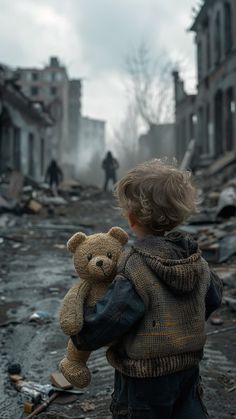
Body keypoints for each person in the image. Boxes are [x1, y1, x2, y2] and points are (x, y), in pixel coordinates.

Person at [72, 159, 223, 419]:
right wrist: (182, 323)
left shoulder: (135, 265)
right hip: (188, 367)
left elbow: (113, 317)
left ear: (131, 219)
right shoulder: (196, 260)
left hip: (144, 378)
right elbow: (213, 296)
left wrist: (82, 335)